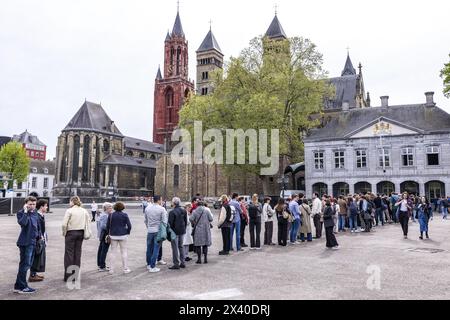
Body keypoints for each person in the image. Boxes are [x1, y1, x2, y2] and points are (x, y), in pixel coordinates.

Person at [62, 196, 91, 282]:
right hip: (80, 233)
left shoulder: (69, 210)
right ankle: (75, 276)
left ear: (72, 202)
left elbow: (64, 224)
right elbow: (88, 221)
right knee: (77, 254)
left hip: (71, 233)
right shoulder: (84, 210)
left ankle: (68, 276)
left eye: (69, 201)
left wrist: (64, 233)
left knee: (69, 254)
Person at [14, 196, 39, 294]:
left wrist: (40, 236)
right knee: (25, 265)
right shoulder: (21, 213)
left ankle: (18, 286)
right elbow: (23, 223)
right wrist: (25, 211)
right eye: (30, 204)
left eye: (34, 204)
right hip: (25, 242)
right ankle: (23, 287)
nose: (32, 206)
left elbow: (37, 226)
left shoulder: (35, 212)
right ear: (26, 204)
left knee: (25, 264)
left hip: (33, 242)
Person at [106, 202, 132, 274]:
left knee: (113, 252)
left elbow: (107, 226)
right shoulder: (125, 215)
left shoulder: (111, 215)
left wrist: (109, 233)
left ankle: (111, 269)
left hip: (113, 235)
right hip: (123, 235)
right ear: (122, 207)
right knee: (124, 252)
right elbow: (129, 226)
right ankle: (125, 268)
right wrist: (127, 232)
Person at [145, 195, 168, 273]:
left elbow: (146, 220)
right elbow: (165, 221)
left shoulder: (147, 208)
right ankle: (152, 266)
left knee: (149, 248)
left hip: (150, 230)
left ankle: (148, 264)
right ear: (158, 200)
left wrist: (148, 227)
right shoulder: (162, 209)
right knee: (156, 248)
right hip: (158, 230)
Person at [29, 199, 48, 282]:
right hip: (38, 239)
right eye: (46, 206)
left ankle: (34, 273)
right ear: (41, 207)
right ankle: (32, 275)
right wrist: (40, 238)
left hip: (41, 238)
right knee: (36, 256)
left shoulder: (41, 215)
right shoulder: (37, 216)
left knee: (39, 257)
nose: (47, 207)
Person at [168, 197, 187, 270]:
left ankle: (176, 263)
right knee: (181, 246)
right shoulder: (183, 210)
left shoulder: (172, 212)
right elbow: (185, 221)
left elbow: (170, 224)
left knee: (175, 248)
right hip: (182, 231)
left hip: (174, 232)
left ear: (174, 203)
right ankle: (183, 262)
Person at [97, 202, 113, 272]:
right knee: (104, 250)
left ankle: (100, 264)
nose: (111, 209)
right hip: (105, 234)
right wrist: (111, 228)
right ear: (106, 208)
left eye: (111, 207)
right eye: (110, 208)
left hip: (103, 234)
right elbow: (103, 226)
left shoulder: (105, 215)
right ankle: (102, 266)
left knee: (101, 250)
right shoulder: (105, 215)